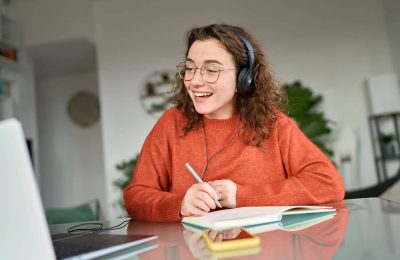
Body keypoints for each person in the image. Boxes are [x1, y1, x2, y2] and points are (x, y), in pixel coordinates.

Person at [123, 24, 344, 221]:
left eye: (211, 70)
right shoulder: (171, 123)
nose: (195, 81)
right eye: (190, 68)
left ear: (243, 79)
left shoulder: (275, 125)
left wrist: (241, 196)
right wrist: (180, 205)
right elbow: (136, 196)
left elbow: (328, 183)